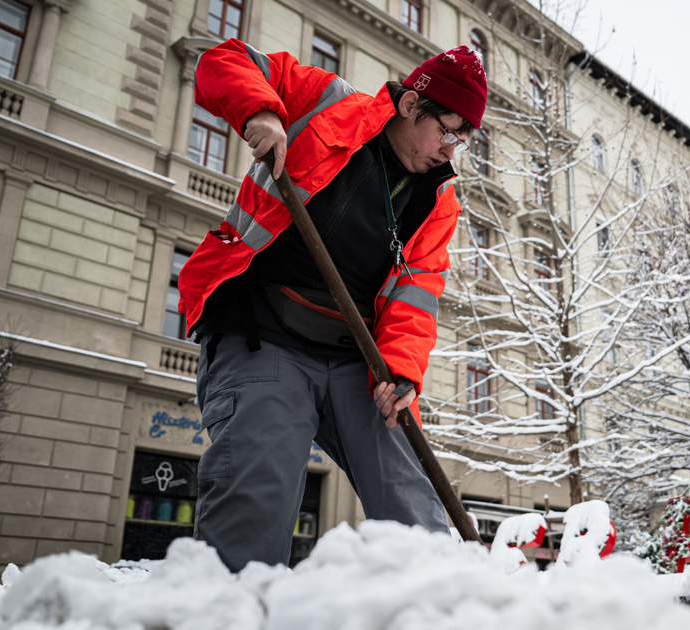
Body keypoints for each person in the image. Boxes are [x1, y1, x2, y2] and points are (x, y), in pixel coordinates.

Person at [175, 38, 487, 571]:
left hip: (356, 357)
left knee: (410, 496)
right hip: (262, 331)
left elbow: (418, 290)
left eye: (460, 140)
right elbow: (224, 60)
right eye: (446, 131)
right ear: (411, 105)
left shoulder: (438, 199)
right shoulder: (326, 100)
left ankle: (444, 603)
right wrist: (261, 111)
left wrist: (402, 372)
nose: (448, 150)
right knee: (258, 485)